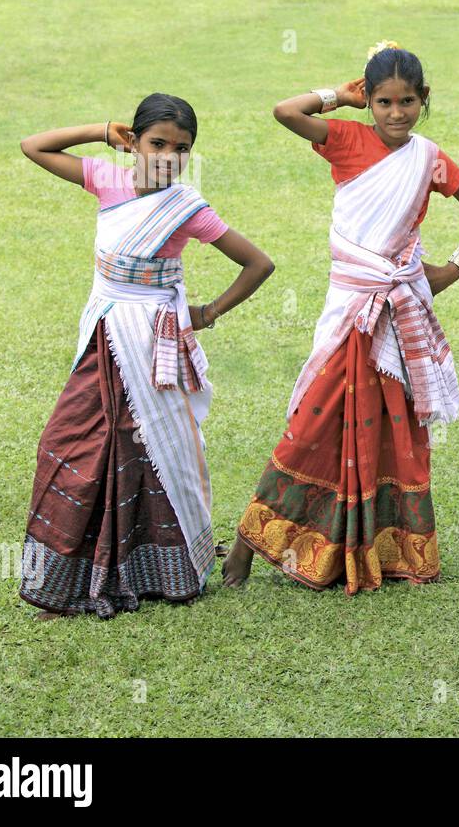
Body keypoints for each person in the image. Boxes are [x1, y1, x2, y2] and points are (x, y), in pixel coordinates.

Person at [223, 42, 459, 591]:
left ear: (424, 99)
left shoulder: (430, 158)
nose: (397, 113)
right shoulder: (346, 138)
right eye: (383, 102)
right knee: (312, 422)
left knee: (396, 431)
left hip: (397, 313)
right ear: (367, 101)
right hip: (351, 310)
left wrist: (454, 269)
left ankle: (388, 549)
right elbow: (286, 112)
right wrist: (337, 96)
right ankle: (247, 545)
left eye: (407, 102)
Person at [19, 94, 274, 618]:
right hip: (104, 337)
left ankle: (153, 572)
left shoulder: (187, 209)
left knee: (145, 450)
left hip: (150, 346)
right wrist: (101, 129)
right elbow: (33, 146)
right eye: (157, 143)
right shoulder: (107, 180)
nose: (168, 157)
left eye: (181, 149)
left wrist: (204, 315)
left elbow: (257, 263)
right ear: (132, 142)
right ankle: (78, 572)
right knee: (65, 444)